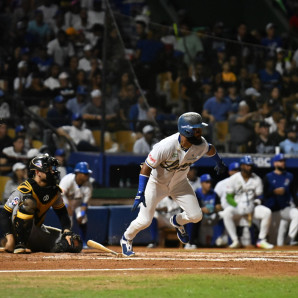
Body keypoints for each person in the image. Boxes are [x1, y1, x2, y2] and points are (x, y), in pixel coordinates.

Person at [120, 112, 227, 256]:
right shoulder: (165, 146)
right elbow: (146, 167)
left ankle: (177, 221)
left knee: (196, 216)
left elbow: (211, 149)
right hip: (156, 184)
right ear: (186, 130)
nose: (200, 132)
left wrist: (218, 162)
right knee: (145, 220)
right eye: (197, 129)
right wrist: (140, 192)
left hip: (180, 183)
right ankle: (126, 238)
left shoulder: (200, 144)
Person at [0, 154, 82, 253]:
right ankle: (20, 244)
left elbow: (62, 213)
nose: (53, 171)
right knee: (29, 202)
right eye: (49, 168)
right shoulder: (24, 189)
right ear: (38, 172)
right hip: (17, 232)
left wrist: (67, 231)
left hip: (36, 231)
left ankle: (38, 246)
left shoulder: (54, 190)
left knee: (74, 243)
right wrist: (10, 238)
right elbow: (4, 213)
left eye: (53, 168)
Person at [221, 155, 274, 249]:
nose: (249, 167)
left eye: (250, 165)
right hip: (237, 207)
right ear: (242, 166)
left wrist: (255, 203)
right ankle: (235, 240)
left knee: (267, 212)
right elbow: (229, 197)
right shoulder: (234, 178)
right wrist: (237, 205)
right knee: (227, 213)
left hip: (251, 207)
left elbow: (260, 196)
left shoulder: (257, 179)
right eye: (247, 165)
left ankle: (261, 240)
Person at [263, 154, 298, 246]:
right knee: (273, 241)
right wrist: (274, 192)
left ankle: (290, 239)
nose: (283, 163)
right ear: (275, 163)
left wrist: (297, 204)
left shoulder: (289, 176)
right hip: (272, 211)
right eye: (280, 161)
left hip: (285, 208)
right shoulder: (268, 176)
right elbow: (264, 194)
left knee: (297, 214)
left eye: (283, 161)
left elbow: (293, 192)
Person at [59, 161, 93, 248]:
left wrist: (82, 214)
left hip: (78, 203)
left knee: (83, 219)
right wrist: (66, 206)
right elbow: (60, 195)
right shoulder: (67, 179)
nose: (87, 176)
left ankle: (83, 242)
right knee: (68, 222)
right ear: (78, 173)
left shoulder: (88, 185)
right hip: (66, 201)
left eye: (87, 173)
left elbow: (85, 203)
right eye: (84, 173)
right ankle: (65, 241)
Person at [186, 174, 222, 249]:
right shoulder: (196, 193)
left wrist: (211, 208)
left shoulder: (214, 193)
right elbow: (191, 207)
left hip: (211, 216)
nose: (209, 184)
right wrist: (202, 209)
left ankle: (220, 237)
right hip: (201, 217)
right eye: (207, 182)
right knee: (192, 216)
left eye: (210, 182)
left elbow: (220, 207)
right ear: (201, 183)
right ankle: (190, 242)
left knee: (223, 214)